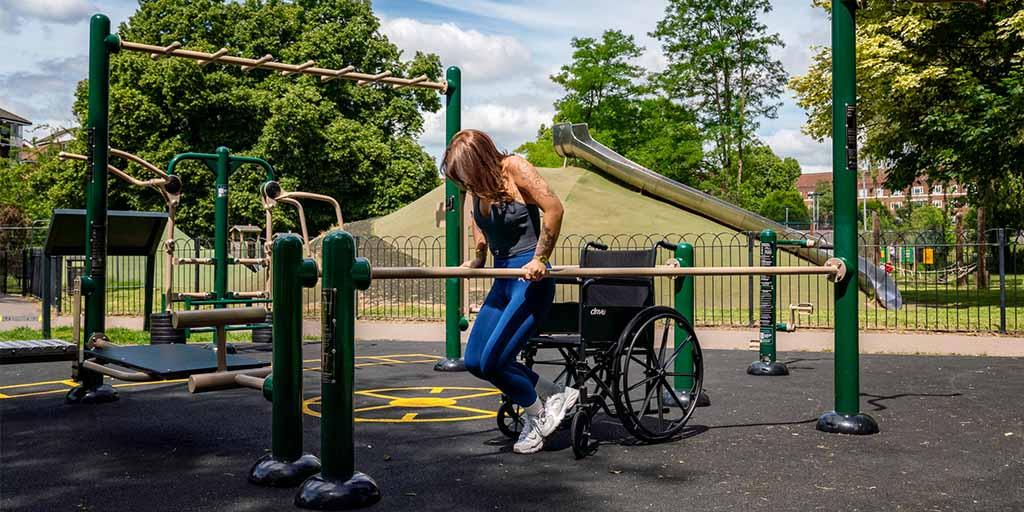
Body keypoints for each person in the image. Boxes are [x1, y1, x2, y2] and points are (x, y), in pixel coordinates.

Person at [442, 129, 579, 454]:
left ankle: (538, 413)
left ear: (479, 161)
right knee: (475, 360)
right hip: (503, 280)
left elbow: (554, 208)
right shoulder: (478, 187)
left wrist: (540, 258)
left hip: (529, 280)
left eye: (465, 175)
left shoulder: (514, 168)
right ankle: (555, 392)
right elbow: (478, 220)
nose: (464, 184)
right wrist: (478, 256)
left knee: (493, 362)